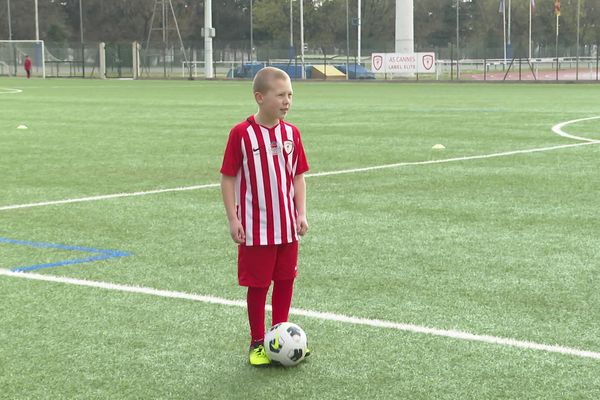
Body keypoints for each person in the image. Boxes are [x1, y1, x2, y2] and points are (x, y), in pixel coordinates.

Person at [220, 67, 310, 366]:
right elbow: (228, 179)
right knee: (258, 285)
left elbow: (298, 176)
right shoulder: (241, 134)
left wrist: (301, 213)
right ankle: (258, 342)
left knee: (285, 281)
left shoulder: (292, 133)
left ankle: (281, 335)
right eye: (281, 95)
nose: (287, 101)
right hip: (256, 229)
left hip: (286, 227)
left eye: (290, 95)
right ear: (260, 98)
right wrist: (233, 219)